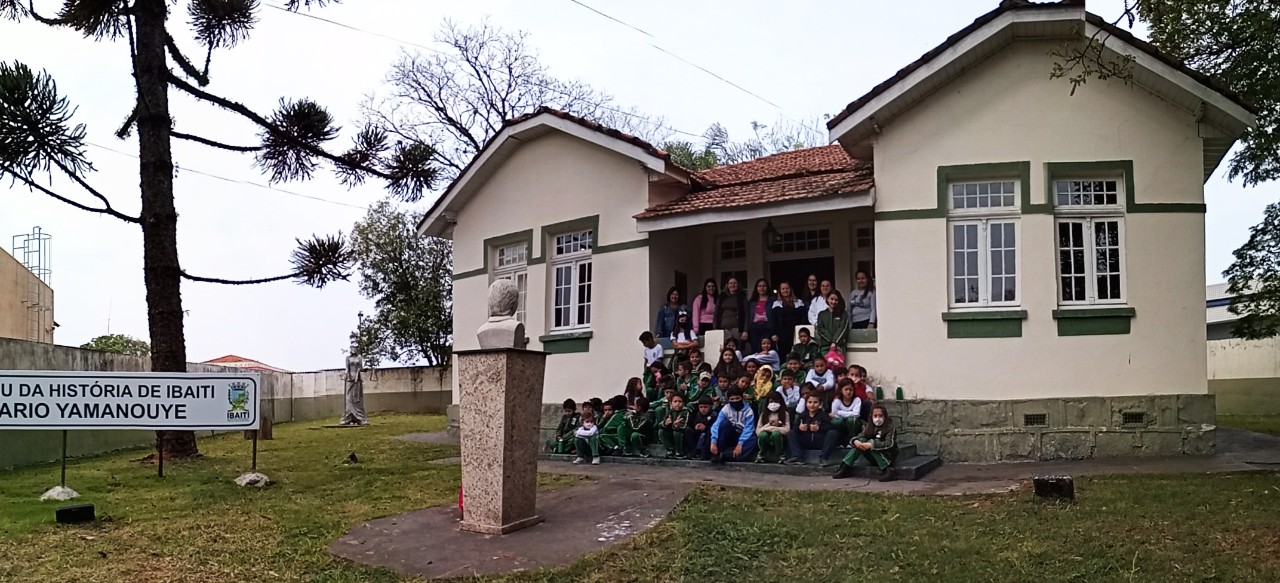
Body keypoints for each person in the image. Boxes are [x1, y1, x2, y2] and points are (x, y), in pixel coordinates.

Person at [834, 404, 899, 481]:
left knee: (873, 442)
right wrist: (856, 441)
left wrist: (872, 444)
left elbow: (889, 444)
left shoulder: (890, 428)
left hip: (887, 456)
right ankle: (845, 467)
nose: (878, 418)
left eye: (881, 416)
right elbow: (860, 436)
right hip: (872, 457)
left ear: (885, 416)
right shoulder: (869, 427)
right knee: (861, 442)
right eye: (875, 416)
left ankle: (888, 470)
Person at [787, 393, 840, 466]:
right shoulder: (803, 414)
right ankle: (797, 456)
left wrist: (819, 428)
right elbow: (794, 427)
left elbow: (830, 426)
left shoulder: (823, 414)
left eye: (815, 402)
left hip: (820, 441)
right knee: (791, 433)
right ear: (806, 404)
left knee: (833, 433)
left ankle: (824, 458)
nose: (812, 405)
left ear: (820, 404)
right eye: (810, 402)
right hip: (806, 440)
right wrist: (800, 428)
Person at [709, 387, 756, 463]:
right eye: (732, 399)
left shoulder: (748, 411)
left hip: (742, 435)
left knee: (753, 439)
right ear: (728, 400)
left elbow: (748, 429)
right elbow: (716, 425)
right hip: (731, 434)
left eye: (737, 398)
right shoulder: (726, 409)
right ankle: (719, 451)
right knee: (724, 424)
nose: (735, 401)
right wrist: (713, 442)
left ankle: (724, 455)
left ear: (742, 398)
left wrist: (740, 444)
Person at [771, 281, 807, 357]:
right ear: (780, 291)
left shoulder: (799, 302)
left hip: (796, 332)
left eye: (787, 288)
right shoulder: (776, 304)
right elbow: (773, 320)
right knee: (784, 354)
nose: (785, 290)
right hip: (782, 334)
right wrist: (774, 333)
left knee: (797, 353)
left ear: (790, 289)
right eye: (783, 289)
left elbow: (803, 318)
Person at [755, 391, 791, 463]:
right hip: (766, 436)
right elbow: (758, 431)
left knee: (775, 434)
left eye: (776, 401)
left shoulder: (785, 414)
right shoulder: (764, 414)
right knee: (763, 435)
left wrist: (775, 428)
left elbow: (787, 429)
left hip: (779, 438)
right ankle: (762, 454)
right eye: (771, 401)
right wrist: (769, 426)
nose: (773, 404)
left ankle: (780, 455)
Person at [745, 278, 776, 354]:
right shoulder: (752, 302)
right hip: (754, 328)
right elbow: (748, 317)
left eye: (764, 286)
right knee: (756, 349)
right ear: (756, 288)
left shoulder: (773, 300)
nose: (762, 288)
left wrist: (775, 332)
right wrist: (746, 330)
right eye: (759, 286)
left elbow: (775, 317)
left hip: (768, 328)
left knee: (767, 350)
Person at [815, 290, 851, 356]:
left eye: (836, 300)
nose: (833, 302)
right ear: (827, 299)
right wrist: (831, 341)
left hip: (839, 346)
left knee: (838, 366)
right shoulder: (822, 314)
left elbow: (843, 328)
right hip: (825, 346)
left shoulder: (843, 314)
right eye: (832, 299)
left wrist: (835, 342)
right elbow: (820, 329)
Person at [714, 276, 748, 344]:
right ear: (727, 285)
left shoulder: (742, 297)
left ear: (738, 284)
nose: (733, 285)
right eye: (731, 283)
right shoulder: (721, 297)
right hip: (723, 329)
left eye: (735, 283)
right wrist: (715, 328)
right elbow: (716, 313)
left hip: (737, 329)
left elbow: (747, 315)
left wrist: (745, 330)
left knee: (737, 349)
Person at [658, 393, 691, 458]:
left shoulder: (686, 412)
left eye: (680, 401)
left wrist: (675, 425)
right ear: (671, 403)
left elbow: (684, 426)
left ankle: (679, 452)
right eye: (675, 401)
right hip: (672, 433)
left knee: (677, 432)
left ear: (683, 403)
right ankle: (670, 450)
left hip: (682, 436)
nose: (677, 403)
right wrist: (665, 423)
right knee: (661, 431)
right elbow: (660, 424)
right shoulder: (670, 412)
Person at [688, 396, 717, 460]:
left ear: (710, 406)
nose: (703, 409)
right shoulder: (696, 414)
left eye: (705, 407)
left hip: (707, 436)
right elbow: (691, 424)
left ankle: (704, 453)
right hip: (697, 434)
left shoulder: (713, 415)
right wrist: (695, 426)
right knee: (688, 430)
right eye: (701, 407)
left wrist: (705, 427)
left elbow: (715, 426)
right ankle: (692, 451)